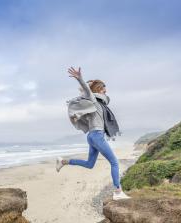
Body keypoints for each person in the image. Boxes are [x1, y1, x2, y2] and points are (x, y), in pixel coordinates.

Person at [56, 67, 130, 200]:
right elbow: (86, 88)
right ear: (98, 90)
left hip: (92, 136)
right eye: (104, 90)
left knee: (90, 164)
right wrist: (79, 78)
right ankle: (118, 192)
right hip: (96, 135)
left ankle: (63, 161)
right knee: (114, 162)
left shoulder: (98, 104)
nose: (106, 93)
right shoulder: (93, 100)